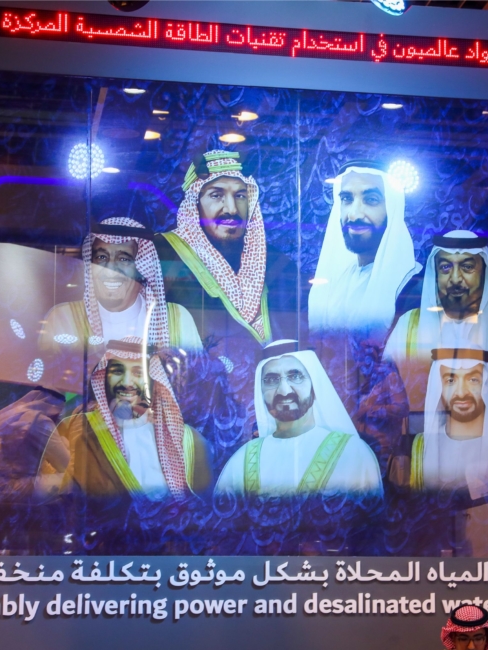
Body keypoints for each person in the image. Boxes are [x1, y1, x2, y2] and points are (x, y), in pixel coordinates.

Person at [157, 148, 300, 451]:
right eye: (216, 195)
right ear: (195, 203)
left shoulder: (278, 264)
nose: (231, 208)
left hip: (273, 422)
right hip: (195, 425)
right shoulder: (163, 256)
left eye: (240, 195)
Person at [385, 229, 488, 410]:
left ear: (484, 272)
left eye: (467, 267)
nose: (455, 278)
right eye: (445, 267)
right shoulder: (408, 325)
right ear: (436, 275)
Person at [39, 215, 202, 392]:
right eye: (101, 257)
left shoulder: (177, 319)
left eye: (124, 259)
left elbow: (196, 389)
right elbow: (49, 391)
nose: (110, 270)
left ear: (141, 267)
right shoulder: (64, 318)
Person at [35, 338, 211, 501]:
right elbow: (55, 495)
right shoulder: (78, 427)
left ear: (153, 381)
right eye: (118, 371)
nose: (127, 382)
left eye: (138, 372)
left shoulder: (189, 441)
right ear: (104, 378)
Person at [214, 341, 383, 497]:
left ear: (314, 386)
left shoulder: (353, 454)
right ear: (261, 391)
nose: (284, 391)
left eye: (295, 376)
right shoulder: (242, 461)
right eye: (271, 380)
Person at [308, 161, 421, 335]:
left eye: (371, 200)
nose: (354, 214)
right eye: (347, 199)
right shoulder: (337, 280)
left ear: (391, 208)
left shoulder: (413, 285)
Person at [409, 349, 488, 500]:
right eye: (450, 381)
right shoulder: (421, 447)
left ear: (486, 384)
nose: (461, 393)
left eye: (473, 380)